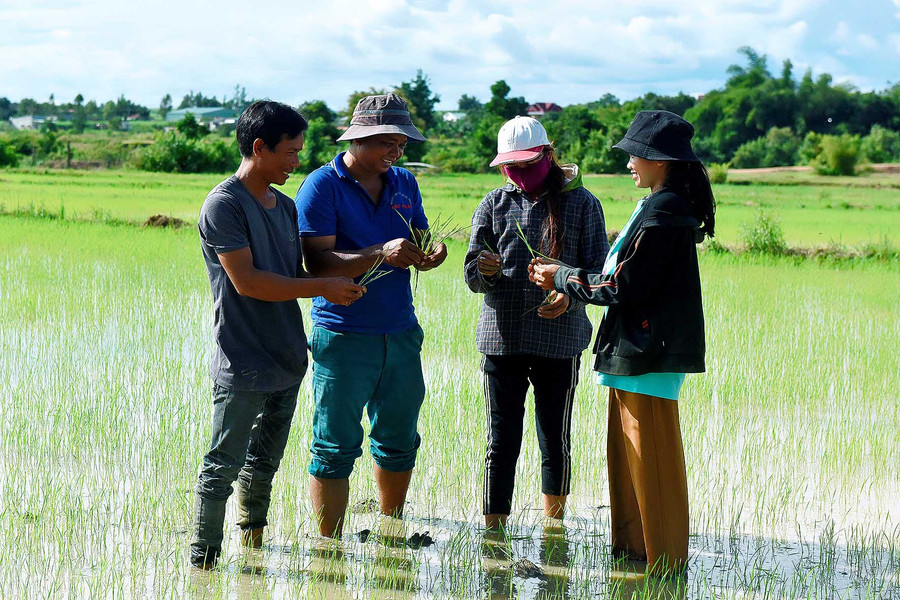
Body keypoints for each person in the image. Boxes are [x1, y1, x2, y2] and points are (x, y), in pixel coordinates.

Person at [529, 110, 715, 576]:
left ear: (660, 160)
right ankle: (634, 561)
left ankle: (666, 568)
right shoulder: (656, 205)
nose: (630, 162)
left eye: (636, 155)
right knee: (628, 463)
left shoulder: (665, 212)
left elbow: (622, 287)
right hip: (633, 352)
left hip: (648, 353)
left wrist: (563, 276)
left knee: (651, 465)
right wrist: (568, 278)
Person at [191, 100, 365, 569]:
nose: (296, 162)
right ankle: (203, 560)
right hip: (242, 359)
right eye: (289, 152)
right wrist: (323, 287)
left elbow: (298, 272)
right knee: (221, 467)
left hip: (287, 357)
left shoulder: (285, 207)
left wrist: (369, 263)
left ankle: (253, 546)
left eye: (300, 151)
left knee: (264, 463)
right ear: (259, 147)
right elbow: (249, 282)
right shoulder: (224, 205)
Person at [294, 93, 447, 538]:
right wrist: (380, 252)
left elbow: (418, 235)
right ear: (358, 139)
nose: (396, 154)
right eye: (386, 144)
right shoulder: (322, 185)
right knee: (334, 443)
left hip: (400, 330)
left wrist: (429, 252)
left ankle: (393, 531)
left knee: (399, 439)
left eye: (401, 145)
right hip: (343, 333)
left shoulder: (403, 182)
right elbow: (317, 263)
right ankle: (330, 548)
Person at [464, 116, 609, 530]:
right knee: (500, 441)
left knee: (555, 441)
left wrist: (568, 294)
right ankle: (494, 529)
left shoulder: (583, 205)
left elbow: (599, 275)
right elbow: (472, 276)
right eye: (512, 168)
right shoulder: (494, 203)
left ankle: (554, 527)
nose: (519, 175)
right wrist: (486, 268)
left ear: (548, 156)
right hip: (502, 341)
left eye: (528, 166)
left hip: (559, 343)